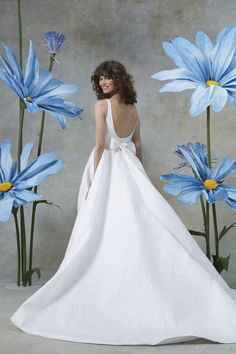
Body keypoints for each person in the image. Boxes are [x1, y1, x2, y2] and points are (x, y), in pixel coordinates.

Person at [10, 60, 236, 346]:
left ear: (118, 79)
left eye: (107, 78)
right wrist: (140, 175)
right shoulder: (133, 108)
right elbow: (137, 147)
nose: (103, 83)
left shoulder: (101, 106)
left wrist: (93, 182)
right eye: (100, 79)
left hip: (110, 168)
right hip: (131, 169)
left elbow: (101, 146)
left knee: (103, 225)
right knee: (141, 222)